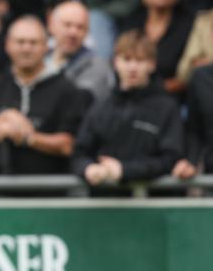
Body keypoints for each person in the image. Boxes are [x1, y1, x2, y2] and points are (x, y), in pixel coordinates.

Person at [0, 15, 84, 175]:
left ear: (46, 46)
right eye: (20, 42)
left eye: (33, 43)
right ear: (7, 45)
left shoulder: (67, 89)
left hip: (49, 187)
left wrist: (28, 138)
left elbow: (69, 145)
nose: (26, 48)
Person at [73, 30, 183, 187]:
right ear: (115, 63)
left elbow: (171, 159)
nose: (132, 67)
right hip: (103, 197)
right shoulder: (101, 106)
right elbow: (79, 153)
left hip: (151, 199)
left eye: (140, 60)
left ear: (152, 65)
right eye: (127, 59)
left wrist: (125, 170)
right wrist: (88, 168)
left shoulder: (167, 108)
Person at [121, 0, 194, 94]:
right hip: (132, 93)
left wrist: (153, 90)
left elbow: (189, 73)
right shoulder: (131, 24)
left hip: (174, 97)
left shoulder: (190, 27)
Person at [46, 0, 114, 104]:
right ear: (51, 25)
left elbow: (80, 102)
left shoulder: (97, 65)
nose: (73, 33)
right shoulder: (39, 57)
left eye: (80, 27)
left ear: (87, 32)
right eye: (67, 25)